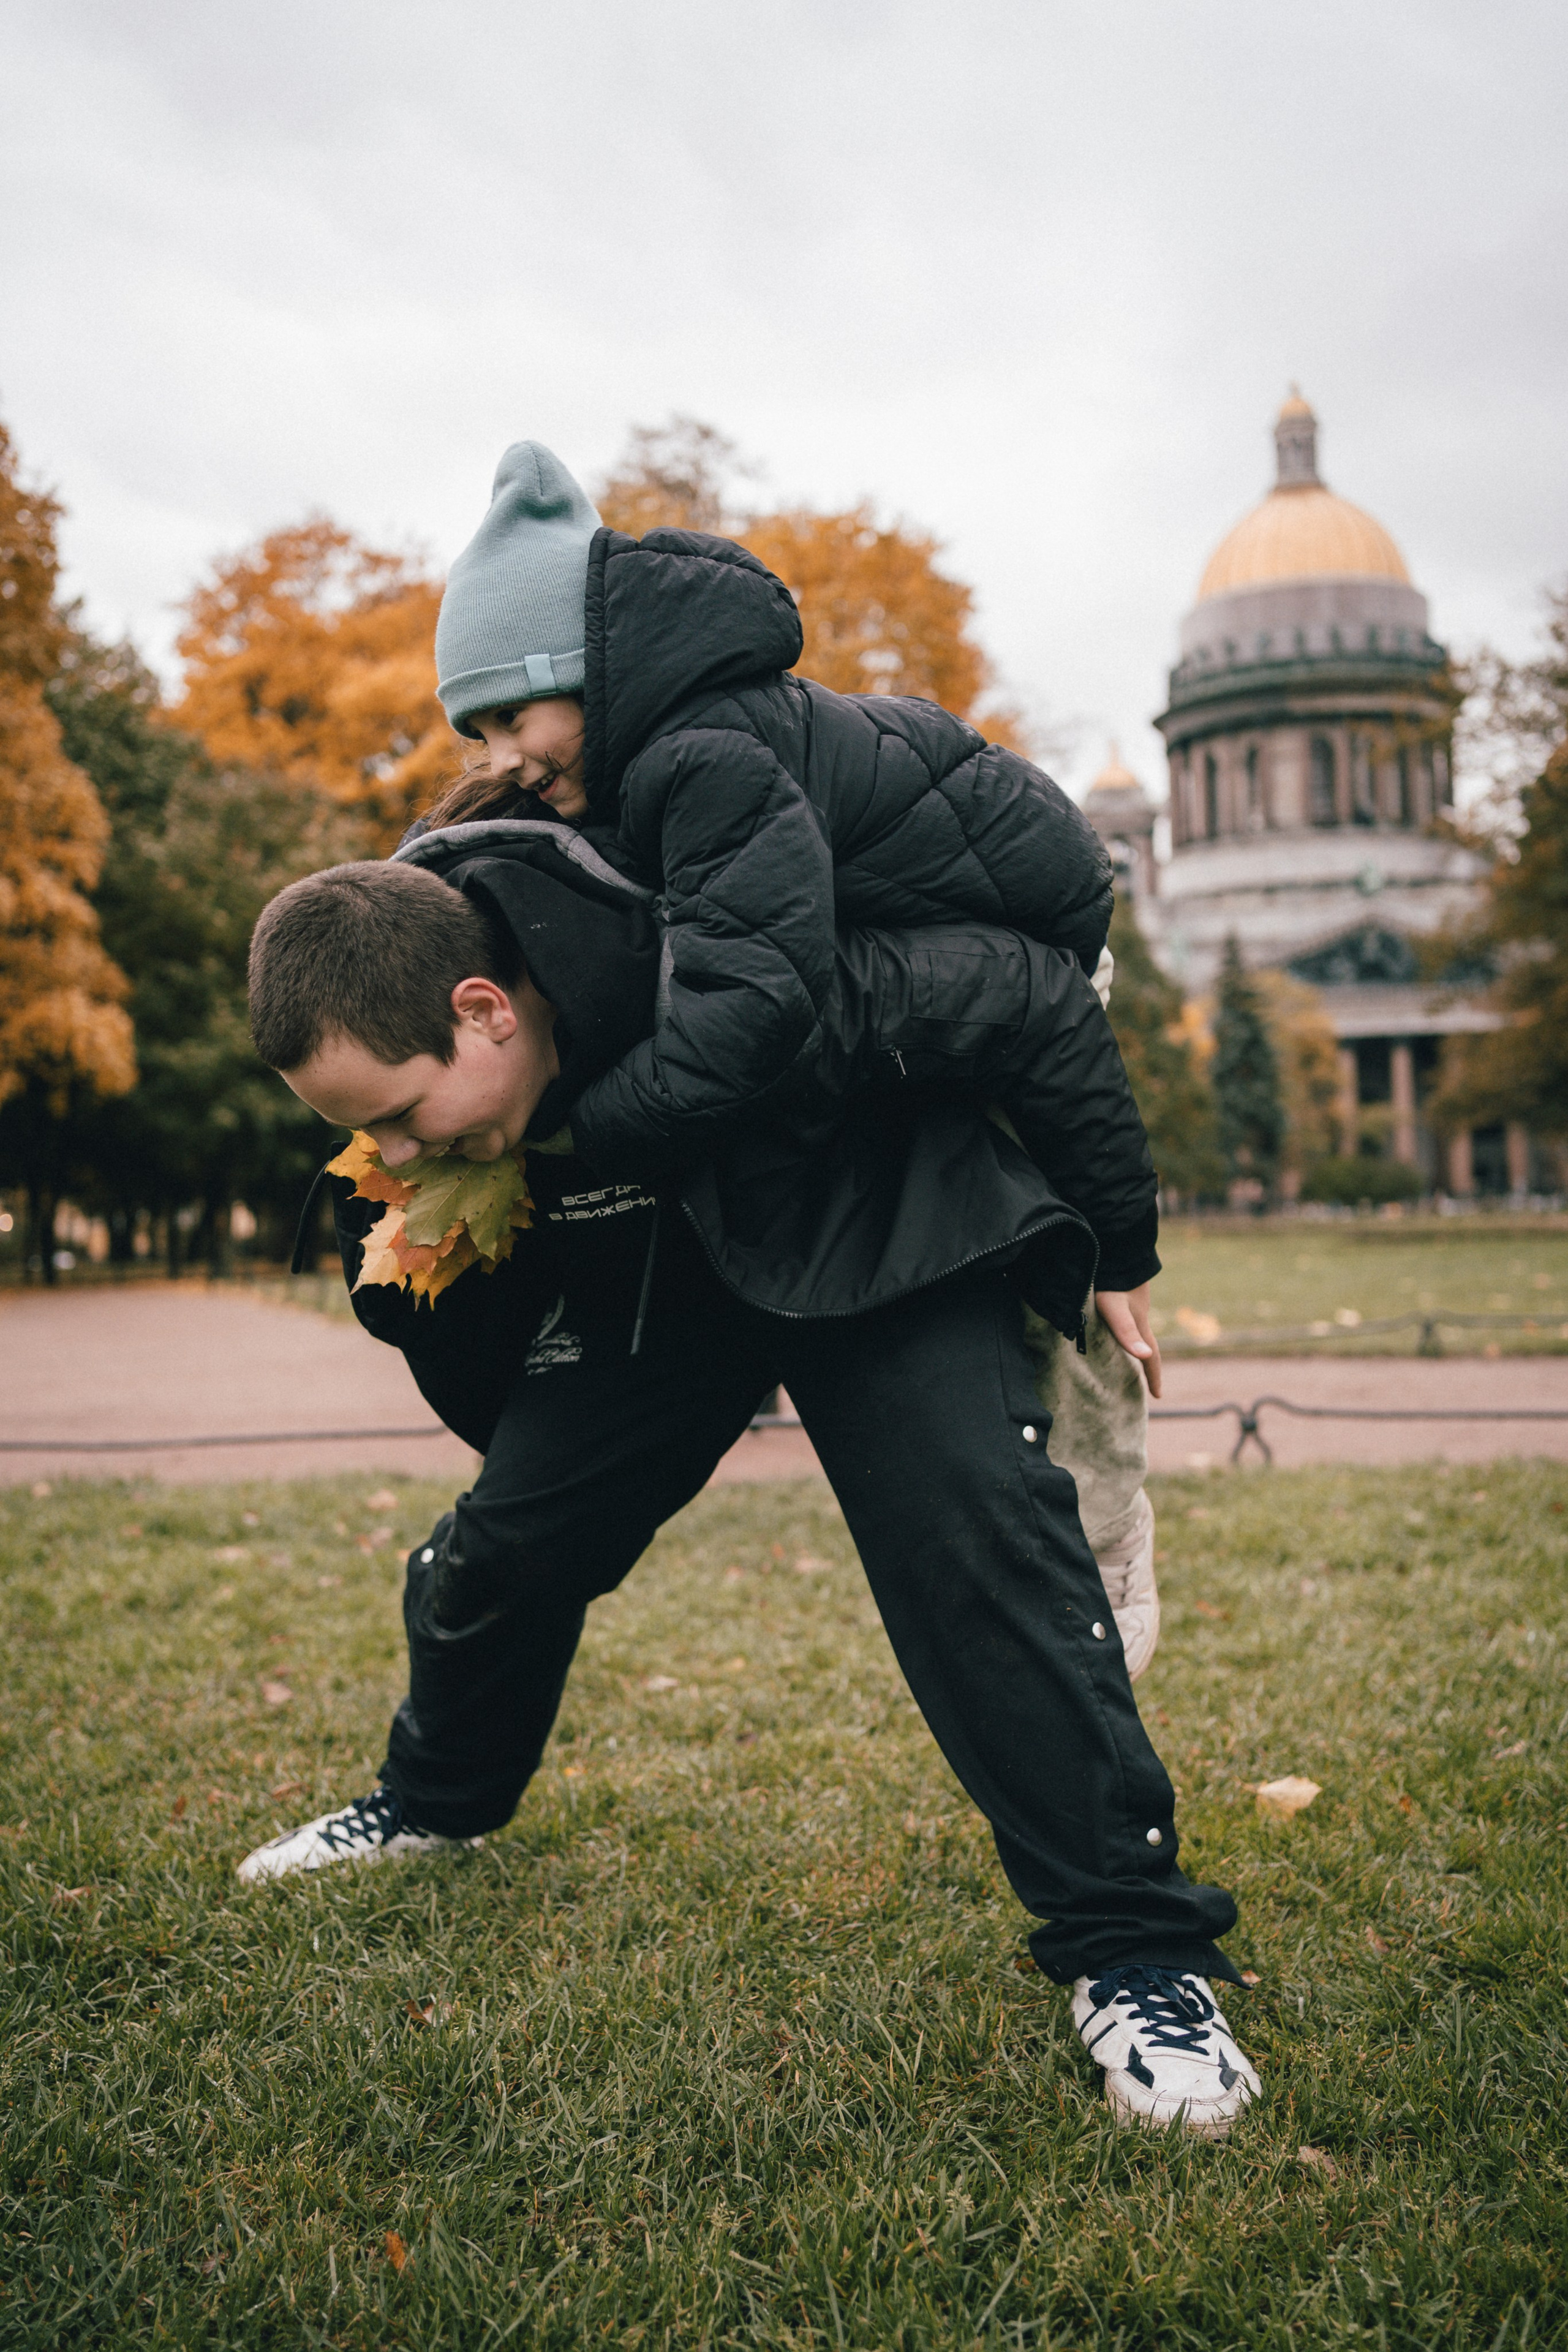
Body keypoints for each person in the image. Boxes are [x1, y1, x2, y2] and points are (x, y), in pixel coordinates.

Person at [236, 839, 1261, 2138]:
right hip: (664, 1286)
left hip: (863, 1217)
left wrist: (1113, 1227)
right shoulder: (415, 1025)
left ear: (484, 1011)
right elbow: (453, 1339)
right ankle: (431, 1805)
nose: (383, 1153)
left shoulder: (710, 928)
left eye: (394, 1117)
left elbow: (1022, 994)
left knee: (973, 1532)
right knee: (500, 1549)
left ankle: (1136, 1951)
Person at [420, 435, 1162, 1661]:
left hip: (1028, 937)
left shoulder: (697, 758)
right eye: (471, 731)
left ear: (588, 674)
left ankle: (1104, 1548)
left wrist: (564, 1136)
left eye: (511, 716)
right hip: (931, 922)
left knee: (1049, 1278)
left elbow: (742, 1016)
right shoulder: (657, 751)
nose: (497, 758)